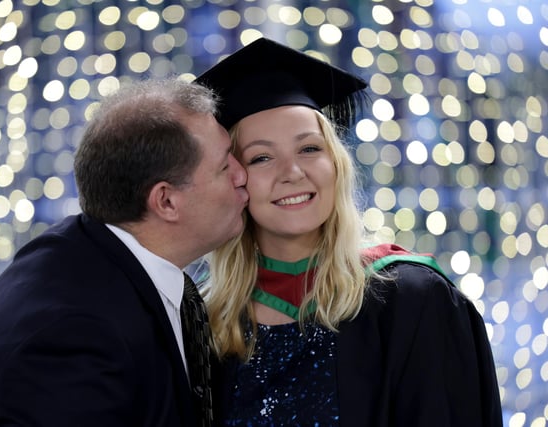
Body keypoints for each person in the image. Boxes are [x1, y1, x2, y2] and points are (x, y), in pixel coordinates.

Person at [194, 38, 502, 426]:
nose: (292, 172)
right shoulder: (209, 320)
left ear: (336, 164)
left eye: (309, 148)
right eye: (261, 157)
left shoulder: (411, 300)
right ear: (235, 179)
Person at [0, 78, 248, 427]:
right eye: (225, 167)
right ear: (166, 200)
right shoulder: (75, 333)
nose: (243, 175)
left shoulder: (81, 254)